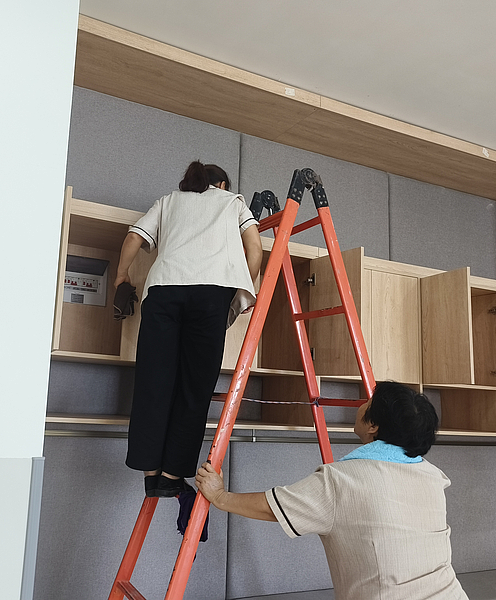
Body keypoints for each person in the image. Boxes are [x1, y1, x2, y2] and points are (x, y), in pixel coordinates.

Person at [195, 381, 469, 600]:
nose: (361, 404)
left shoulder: (343, 480)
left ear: (373, 425)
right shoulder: (433, 477)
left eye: (368, 402)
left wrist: (220, 497)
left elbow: (274, 507)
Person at [116, 160, 262, 498]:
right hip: (211, 294)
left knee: (153, 383)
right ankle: (170, 475)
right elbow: (254, 249)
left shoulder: (168, 201)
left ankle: (151, 475)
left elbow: (134, 236)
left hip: (163, 291)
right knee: (194, 387)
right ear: (221, 185)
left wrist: (122, 276)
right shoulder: (233, 202)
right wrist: (243, 287)